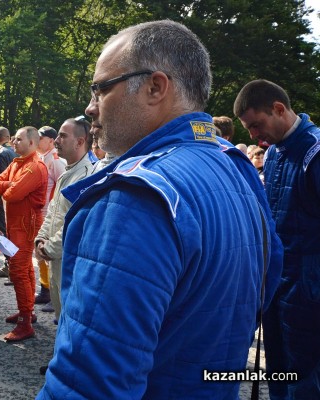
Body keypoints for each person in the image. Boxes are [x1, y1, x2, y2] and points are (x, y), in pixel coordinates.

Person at [38, 20, 277, 399]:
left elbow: (90, 384)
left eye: (100, 89)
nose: (90, 107)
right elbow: (268, 281)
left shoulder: (134, 196)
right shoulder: (236, 166)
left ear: (155, 87)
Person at [234, 79, 320, 399]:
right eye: (249, 129)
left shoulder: (315, 153)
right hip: (278, 287)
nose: (254, 136)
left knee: (306, 378)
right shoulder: (273, 155)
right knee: (280, 372)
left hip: (310, 293)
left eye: (257, 125)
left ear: (279, 109)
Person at [35, 117, 93, 321]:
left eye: (62, 135)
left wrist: (49, 248)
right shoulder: (66, 174)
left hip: (69, 261)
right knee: (61, 315)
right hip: (56, 258)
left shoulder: (87, 176)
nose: (56, 140)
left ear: (80, 141)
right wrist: (40, 239)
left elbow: (75, 222)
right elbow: (53, 212)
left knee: (71, 316)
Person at [0, 126, 47, 342]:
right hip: (15, 225)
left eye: (19, 139)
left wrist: (7, 187)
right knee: (22, 270)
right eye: (13, 139)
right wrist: (9, 185)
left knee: (18, 271)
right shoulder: (18, 163)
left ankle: (25, 320)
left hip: (25, 227)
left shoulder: (34, 167)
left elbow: (12, 194)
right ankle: (28, 311)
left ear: (32, 143)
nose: (14, 142)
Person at [34, 126, 66, 309]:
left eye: (41, 137)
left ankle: (52, 295)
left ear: (50, 141)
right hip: (42, 212)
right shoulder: (43, 158)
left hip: (50, 213)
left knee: (49, 254)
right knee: (40, 254)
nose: (37, 140)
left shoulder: (55, 161)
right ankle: (46, 289)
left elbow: (62, 190)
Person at [0, 127, 18, 279]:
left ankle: (9, 265)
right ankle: (13, 265)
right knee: (9, 232)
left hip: (2, 199)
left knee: (0, 232)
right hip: (14, 196)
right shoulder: (17, 152)